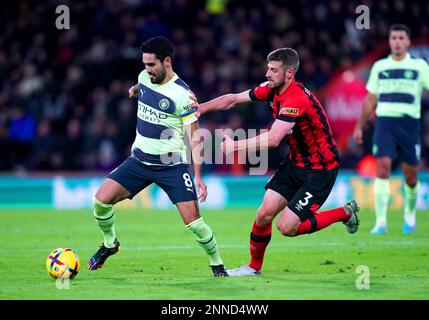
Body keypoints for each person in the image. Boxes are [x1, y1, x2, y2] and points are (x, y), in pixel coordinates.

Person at [195, 47, 360, 276]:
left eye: (273, 70)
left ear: (289, 73)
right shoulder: (270, 89)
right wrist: (201, 109)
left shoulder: (296, 99)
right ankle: (254, 268)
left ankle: (344, 213)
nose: (267, 74)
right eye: (268, 68)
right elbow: (233, 99)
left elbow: (273, 139)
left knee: (286, 227)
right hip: (295, 164)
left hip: (320, 170)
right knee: (263, 215)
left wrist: (234, 146)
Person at [88, 36, 228, 277]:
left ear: (167, 62)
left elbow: (194, 138)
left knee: (194, 223)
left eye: (151, 65)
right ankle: (110, 244)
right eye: (145, 64)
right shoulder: (144, 78)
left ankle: (217, 265)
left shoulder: (183, 95)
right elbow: (141, 85)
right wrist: (134, 90)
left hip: (171, 166)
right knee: (100, 201)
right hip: (139, 161)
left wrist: (198, 176)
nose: (147, 70)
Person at [353, 24, 429, 235]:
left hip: (410, 124)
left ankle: (410, 216)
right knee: (383, 168)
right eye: (393, 37)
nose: (396, 41)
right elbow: (370, 99)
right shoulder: (380, 67)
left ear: (408, 42)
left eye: (400, 37)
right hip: (385, 123)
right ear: (389, 41)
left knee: (411, 176)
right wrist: (359, 126)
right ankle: (380, 222)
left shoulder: (419, 66)